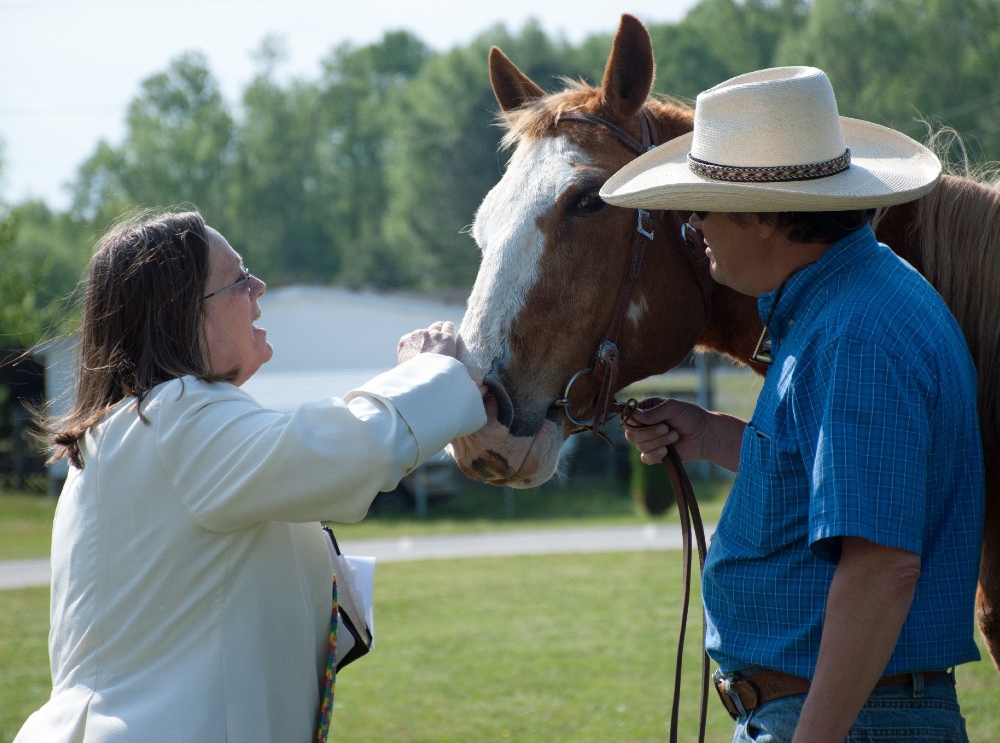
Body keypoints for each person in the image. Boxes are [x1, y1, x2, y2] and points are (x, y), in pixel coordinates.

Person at [601, 67, 984, 742]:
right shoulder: (852, 308)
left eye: (707, 201)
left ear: (768, 213)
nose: (694, 222)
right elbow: (827, 478)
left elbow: (881, 568)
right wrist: (709, 434)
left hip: (851, 723)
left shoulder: (854, 333)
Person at [15, 209, 486, 743]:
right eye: (238, 280)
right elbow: (348, 453)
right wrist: (429, 372)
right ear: (185, 314)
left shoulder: (139, 426)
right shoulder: (177, 416)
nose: (258, 287)